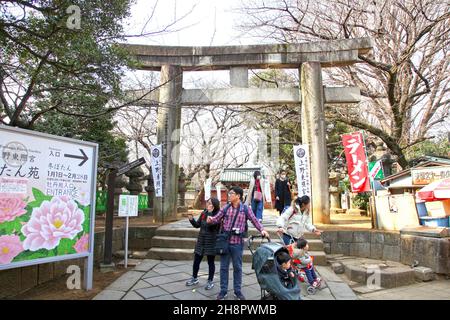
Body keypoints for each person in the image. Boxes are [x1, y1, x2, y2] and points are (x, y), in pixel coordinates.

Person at [207, 186, 270, 300]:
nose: (229, 195)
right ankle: (223, 291)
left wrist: (262, 229)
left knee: (238, 267)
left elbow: (254, 220)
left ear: (238, 196)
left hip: (238, 243)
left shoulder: (245, 209)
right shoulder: (226, 208)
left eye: (231, 193)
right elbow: (216, 218)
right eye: (229, 193)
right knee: (223, 267)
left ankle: (237, 291)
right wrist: (210, 218)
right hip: (225, 242)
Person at [186, 198, 221, 290]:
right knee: (196, 260)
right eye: (207, 202)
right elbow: (197, 225)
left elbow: (213, 226)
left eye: (209, 203)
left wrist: (210, 213)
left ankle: (210, 281)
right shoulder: (203, 213)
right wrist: (191, 219)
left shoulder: (218, 215)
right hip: (201, 241)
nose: (207, 204)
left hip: (211, 241)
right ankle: (194, 278)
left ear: (214, 205)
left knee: (210, 262)